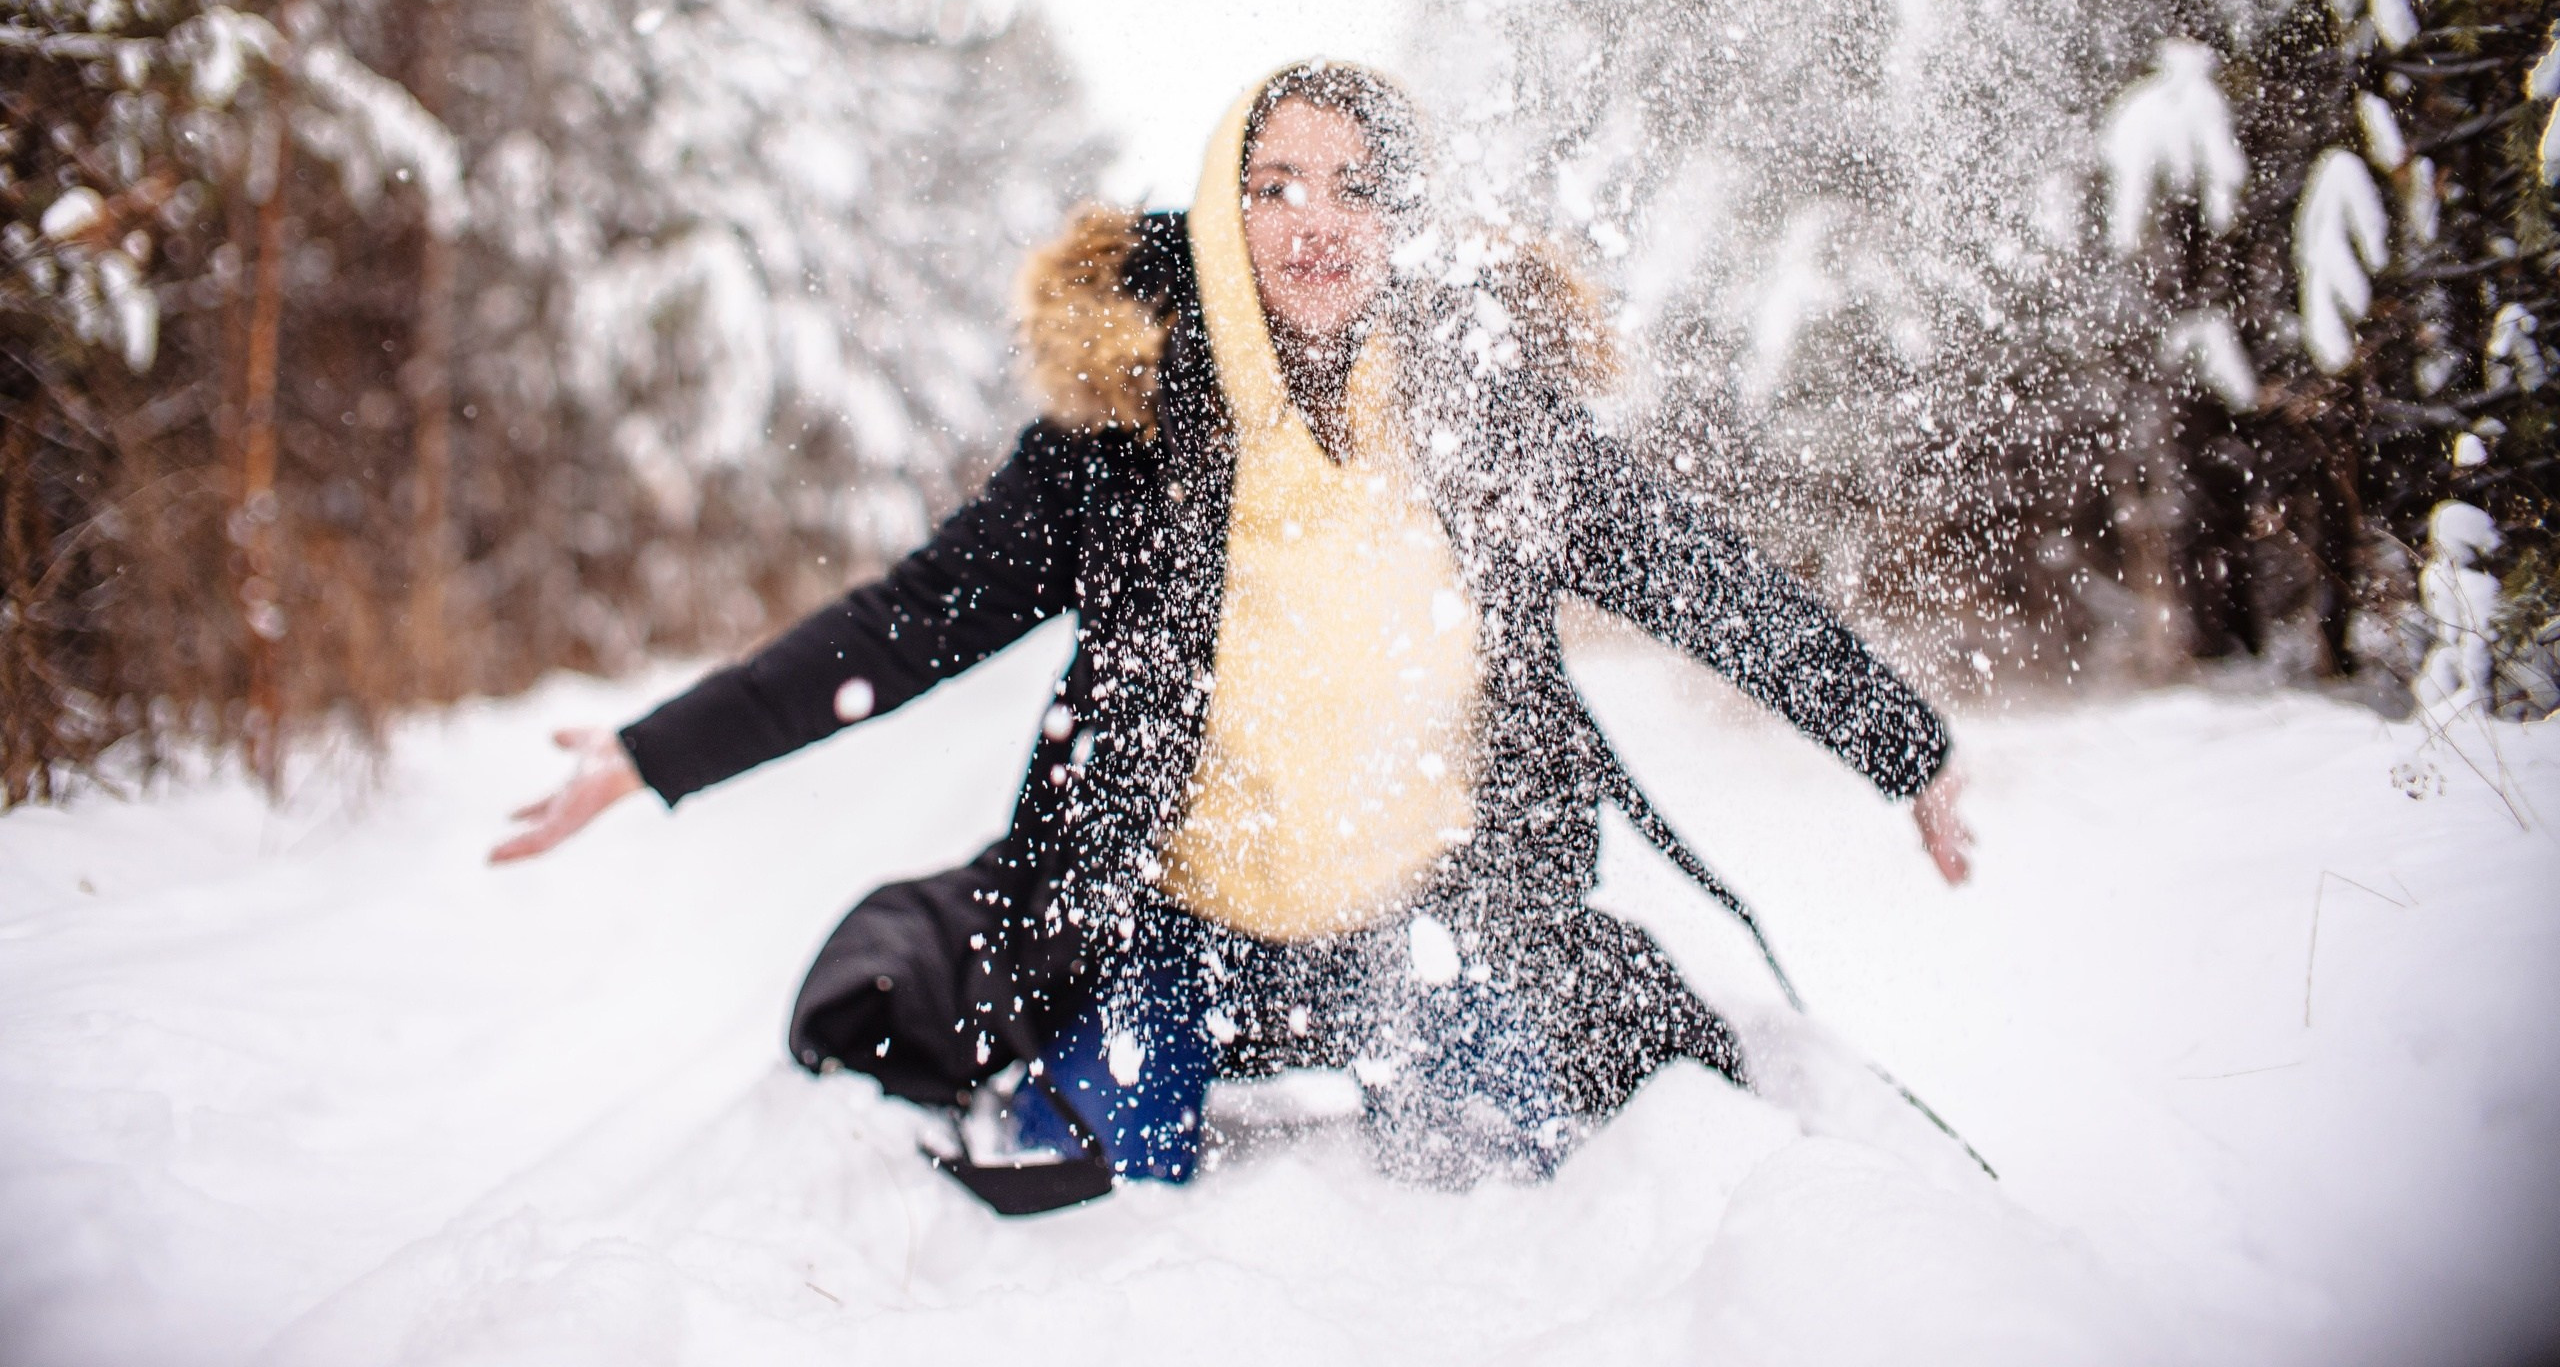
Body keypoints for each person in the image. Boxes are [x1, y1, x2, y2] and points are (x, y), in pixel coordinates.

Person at [493, 60, 1971, 1209]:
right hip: (1169, 932)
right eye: (1273, 183)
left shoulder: (1492, 428)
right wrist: (648, 749)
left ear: (1403, 222)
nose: (1315, 218)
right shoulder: (1120, 440)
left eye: (1354, 184)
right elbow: (905, 625)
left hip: (1433, 933)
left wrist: (1906, 748)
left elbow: (1701, 579)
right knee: (1115, 1169)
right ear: (1219, 207)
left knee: (1511, 1162)